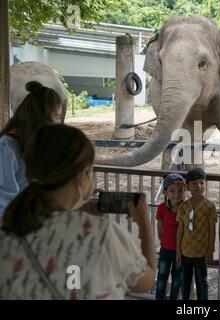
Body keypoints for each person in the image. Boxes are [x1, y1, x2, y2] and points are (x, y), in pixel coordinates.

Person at [0, 124, 156, 299]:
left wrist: (78, 216)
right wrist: (144, 223)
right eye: (91, 170)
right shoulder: (103, 235)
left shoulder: (8, 227)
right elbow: (146, 281)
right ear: (82, 175)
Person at [0, 81, 63, 219]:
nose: (57, 124)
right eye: (56, 117)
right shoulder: (6, 149)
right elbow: (5, 204)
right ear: (41, 117)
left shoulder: (26, 145)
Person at [176, 167, 217, 300]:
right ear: (187, 187)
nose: (198, 186)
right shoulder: (183, 206)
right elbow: (180, 229)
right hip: (185, 251)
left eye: (201, 183)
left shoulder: (210, 206)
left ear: (205, 184)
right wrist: (178, 250)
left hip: (201, 252)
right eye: (194, 183)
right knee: (185, 281)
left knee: (201, 282)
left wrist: (210, 250)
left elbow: (212, 229)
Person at [155, 173, 186, 300]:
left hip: (181, 251)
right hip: (165, 250)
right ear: (165, 192)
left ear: (185, 191)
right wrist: (162, 239)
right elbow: (159, 225)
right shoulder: (162, 208)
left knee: (177, 278)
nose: (176, 194)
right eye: (172, 191)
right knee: (162, 276)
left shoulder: (186, 208)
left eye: (180, 190)